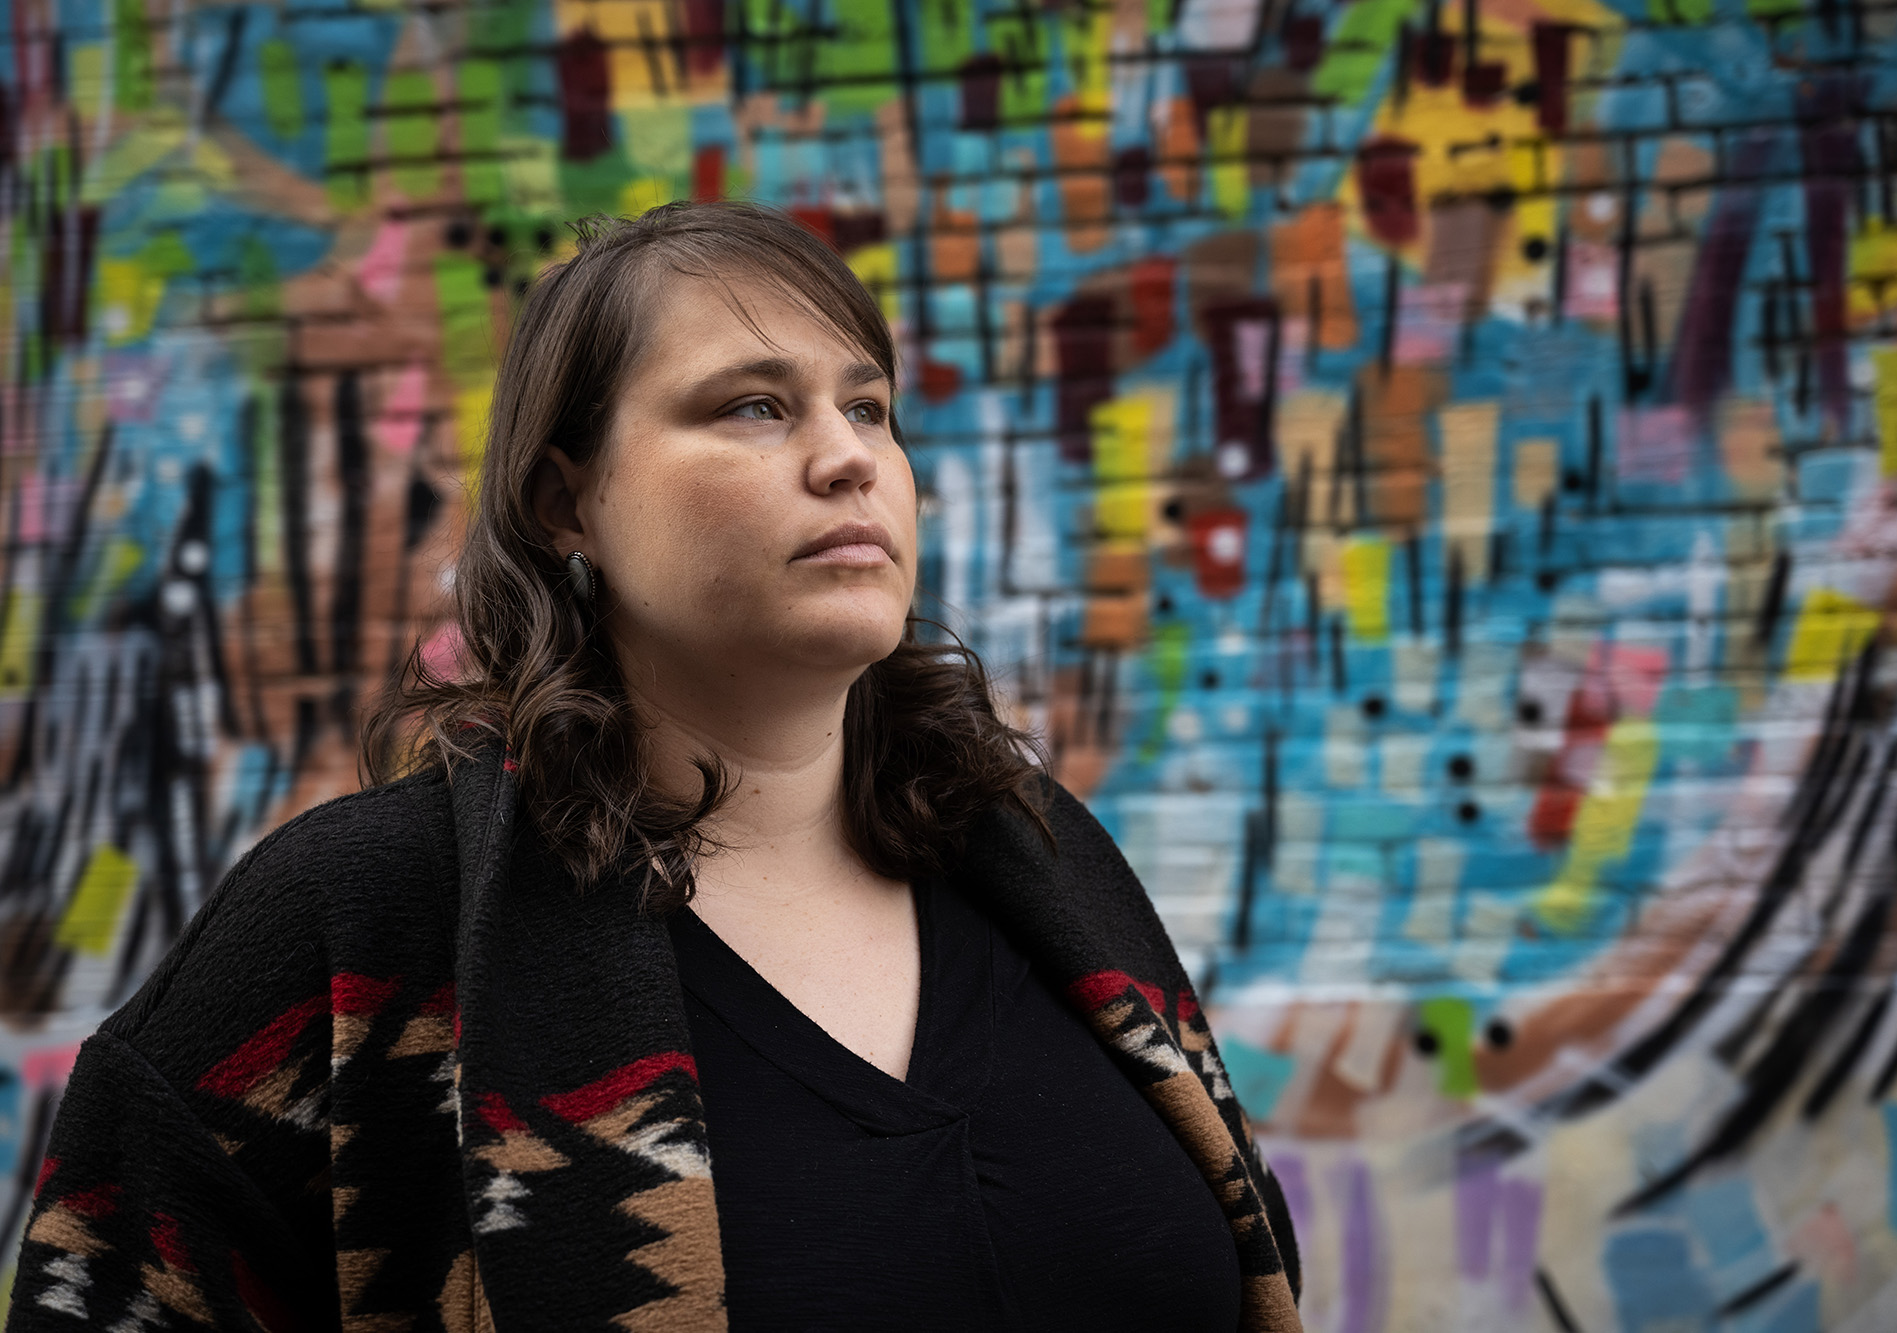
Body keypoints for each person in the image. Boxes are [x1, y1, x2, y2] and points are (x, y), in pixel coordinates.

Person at [7, 201, 1302, 1332]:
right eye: (752, 405)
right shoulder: (371, 921)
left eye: (870, 407)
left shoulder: (1043, 861)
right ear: (569, 503)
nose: (849, 453)